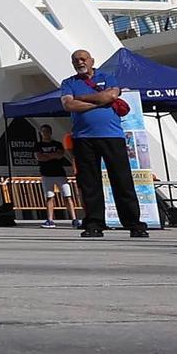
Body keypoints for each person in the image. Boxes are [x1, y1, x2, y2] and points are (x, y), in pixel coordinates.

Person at [58, 47, 145, 239]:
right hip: (83, 138)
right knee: (89, 183)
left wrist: (83, 99)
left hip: (112, 136)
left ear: (91, 60)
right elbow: (68, 105)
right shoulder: (68, 83)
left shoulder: (108, 77)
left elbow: (112, 96)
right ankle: (94, 223)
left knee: (122, 180)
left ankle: (134, 223)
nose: (80, 62)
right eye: (76, 60)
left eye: (83, 59)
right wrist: (99, 101)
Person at [34, 124, 77, 229]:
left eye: (47, 131)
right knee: (49, 197)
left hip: (60, 173)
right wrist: (52, 156)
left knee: (67, 196)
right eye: (43, 131)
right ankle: (50, 219)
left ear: (50, 132)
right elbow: (39, 157)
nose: (45, 133)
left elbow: (60, 154)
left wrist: (48, 156)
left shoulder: (57, 144)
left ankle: (74, 219)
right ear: (40, 133)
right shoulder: (38, 145)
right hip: (46, 174)